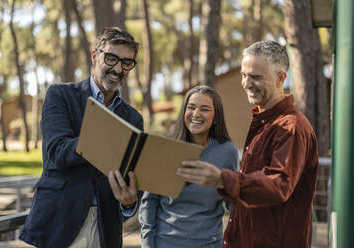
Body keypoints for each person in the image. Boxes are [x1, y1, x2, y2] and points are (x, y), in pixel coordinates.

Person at [177, 40, 319, 248]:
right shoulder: (264, 123)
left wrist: (222, 179)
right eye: (244, 75)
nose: (246, 83)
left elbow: (278, 184)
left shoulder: (292, 127)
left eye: (256, 77)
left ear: (281, 78)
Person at [20, 27, 143, 248]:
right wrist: (105, 138)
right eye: (112, 58)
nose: (118, 69)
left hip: (107, 228)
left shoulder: (133, 118)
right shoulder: (60, 95)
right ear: (95, 56)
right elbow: (57, 152)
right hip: (59, 222)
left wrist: (131, 202)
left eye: (127, 62)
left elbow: (132, 174)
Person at [139, 85, 239, 248]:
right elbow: (149, 201)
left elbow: (234, 204)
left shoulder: (227, 151)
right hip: (165, 243)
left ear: (215, 117)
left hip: (209, 244)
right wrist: (148, 244)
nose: (196, 114)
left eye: (205, 109)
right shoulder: (165, 149)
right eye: (191, 107)